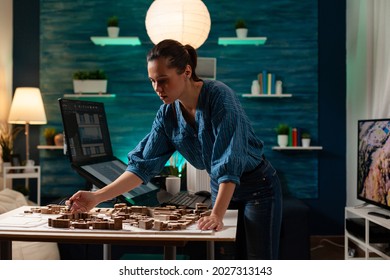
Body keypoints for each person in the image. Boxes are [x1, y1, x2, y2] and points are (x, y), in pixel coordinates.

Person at [67, 39, 283, 260]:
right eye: (152, 81)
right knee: (227, 261)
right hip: (222, 189)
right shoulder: (167, 114)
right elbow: (141, 167)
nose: (157, 89)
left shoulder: (219, 96)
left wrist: (216, 214)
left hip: (258, 188)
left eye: (163, 80)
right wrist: (97, 197)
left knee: (259, 261)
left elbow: (228, 160)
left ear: (187, 71)